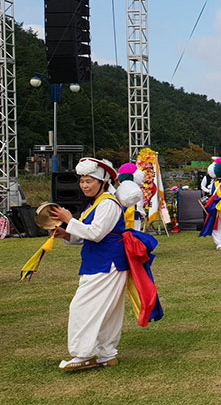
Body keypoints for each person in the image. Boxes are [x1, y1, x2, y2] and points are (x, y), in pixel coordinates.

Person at [48, 158, 130, 371]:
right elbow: (86, 235)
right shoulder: (97, 203)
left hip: (107, 263)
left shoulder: (108, 203)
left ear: (103, 182)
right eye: (82, 180)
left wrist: (69, 219)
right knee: (106, 310)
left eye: (89, 181)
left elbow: (95, 233)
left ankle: (84, 354)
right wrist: (66, 234)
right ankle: (106, 353)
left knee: (83, 307)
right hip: (102, 261)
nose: (84, 185)